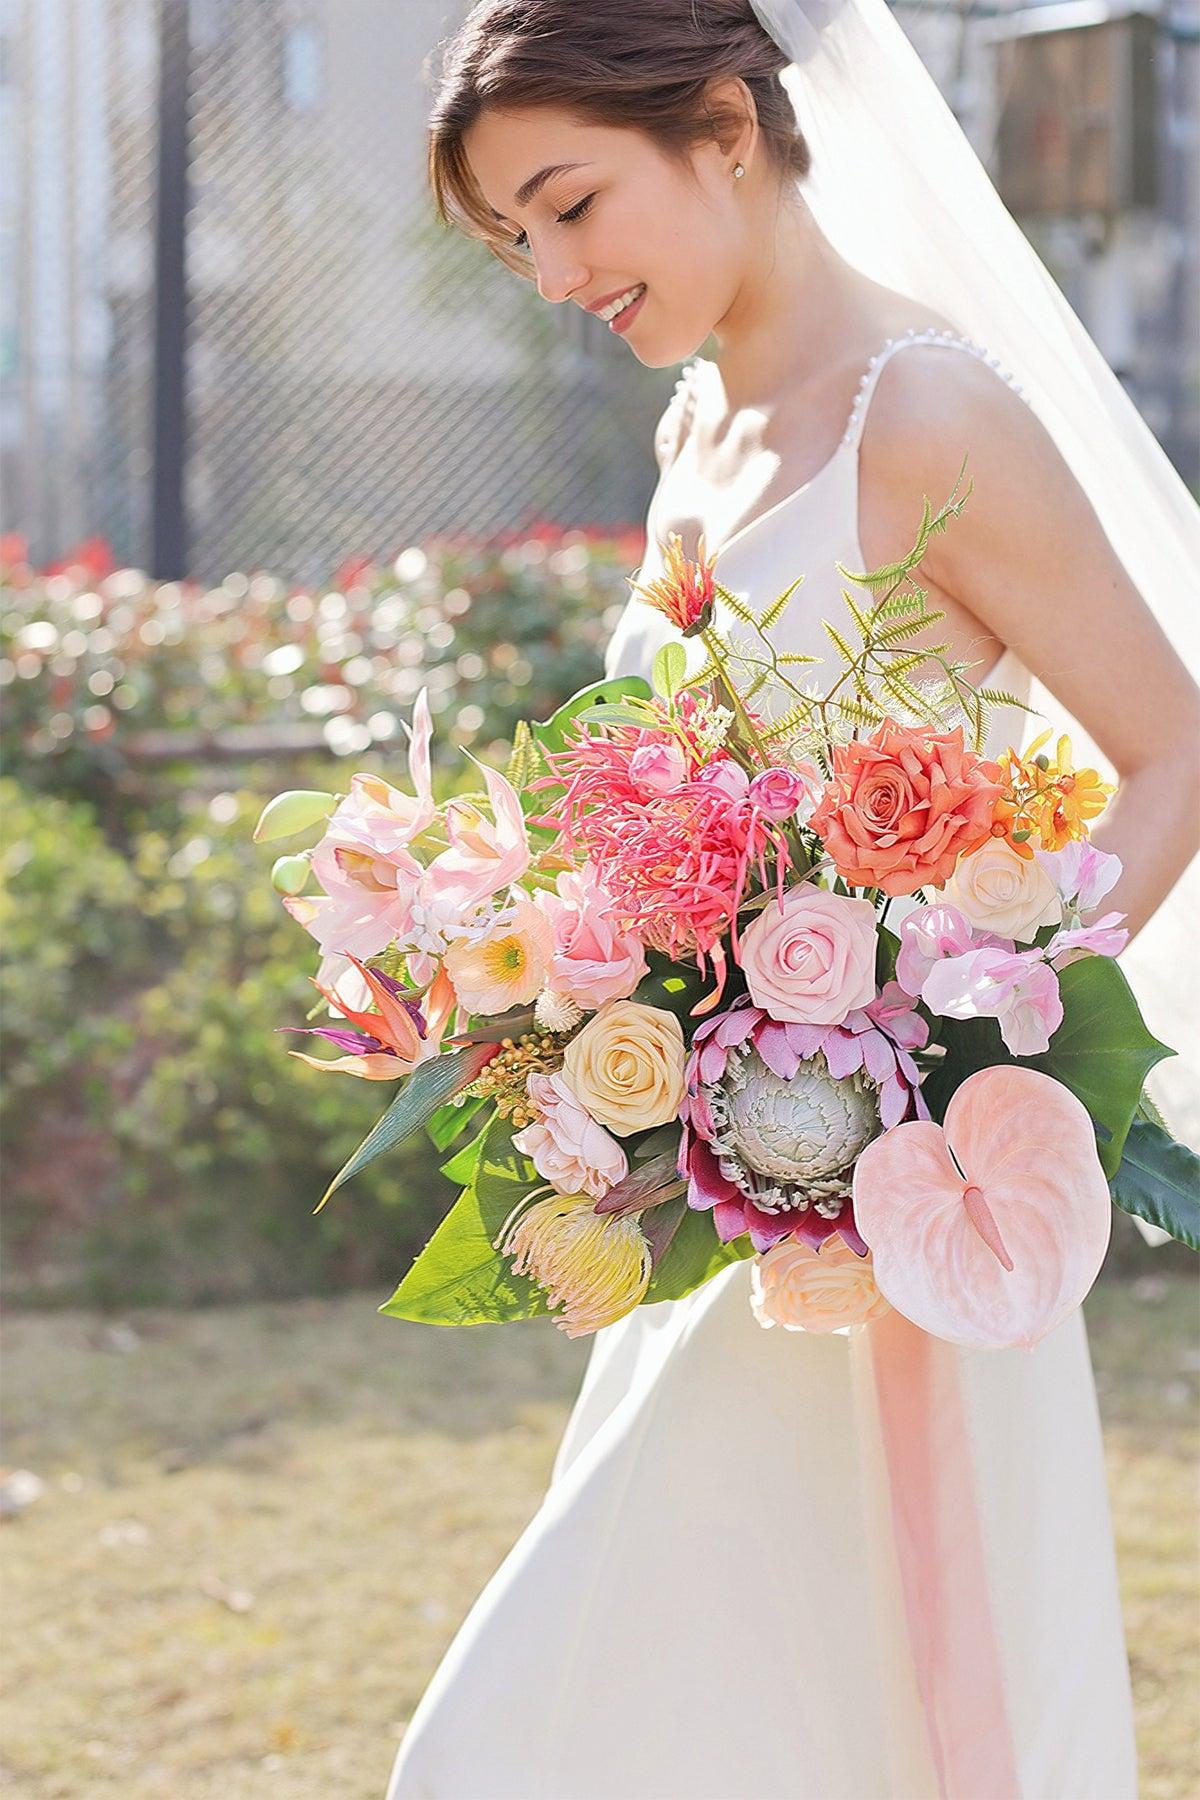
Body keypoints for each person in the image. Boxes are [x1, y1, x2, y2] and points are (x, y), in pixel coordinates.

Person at [386, 3, 1200, 1795]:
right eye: (518, 238)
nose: (550, 270)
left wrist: (968, 1063)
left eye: (572, 203)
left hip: (901, 1236)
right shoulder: (701, 430)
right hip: (727, 1224)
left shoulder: (922, 411)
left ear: (725, 126)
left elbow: (1171, 751)